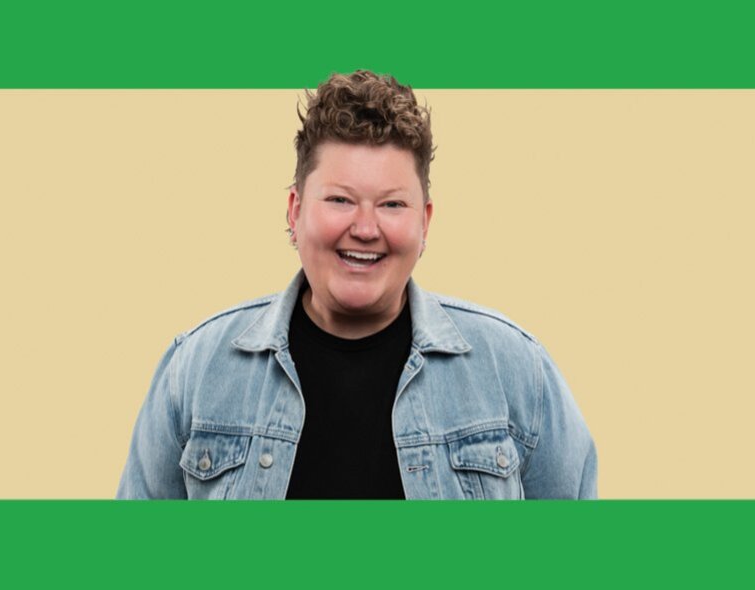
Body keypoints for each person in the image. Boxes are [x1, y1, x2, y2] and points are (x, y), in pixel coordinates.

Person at [117, 70, 597, 500]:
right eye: (341, 200)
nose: (366, 228)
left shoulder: (517, 370)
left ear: (424, 222)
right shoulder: (197, 369)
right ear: (295, 210)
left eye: (392, 205)